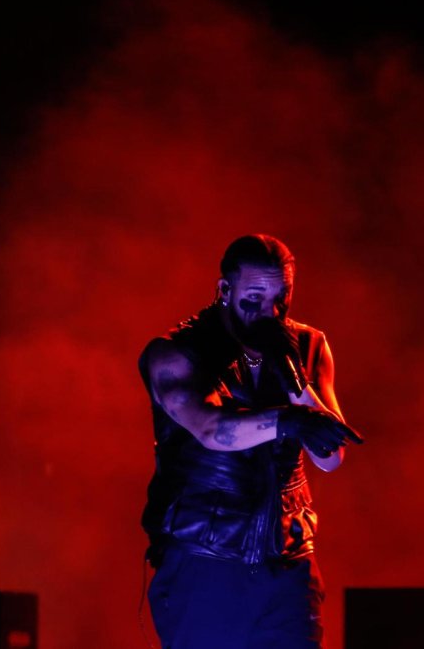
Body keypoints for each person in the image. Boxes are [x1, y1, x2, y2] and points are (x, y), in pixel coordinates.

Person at [138, 234, 364, 649]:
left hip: (288, 565)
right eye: (255, 299)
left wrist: (294, 376)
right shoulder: (178, 352)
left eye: (281, 298)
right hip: (204, 563)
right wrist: (289, 420)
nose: (269, 312)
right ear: (225, 289)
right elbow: (211, 429)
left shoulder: (309, 345)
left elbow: (331, 457)